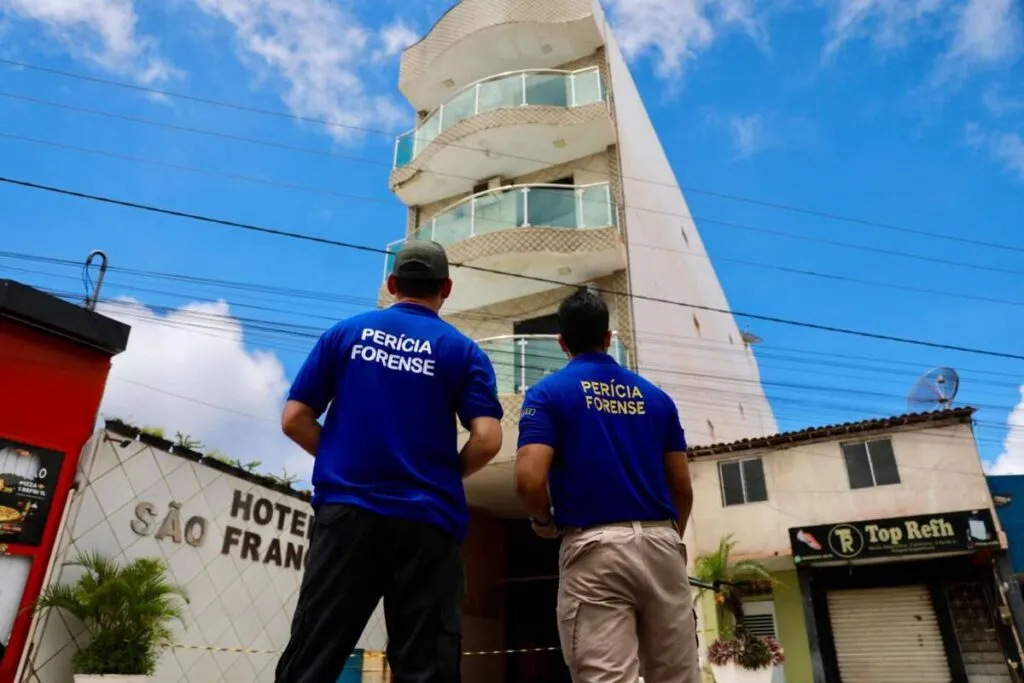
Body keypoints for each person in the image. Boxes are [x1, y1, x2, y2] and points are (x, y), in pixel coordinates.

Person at [275, 240, 504, 683]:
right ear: (446, 289)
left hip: (347, 517)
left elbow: (294, 419)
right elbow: (488, 438)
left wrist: (342, 458)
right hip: (428, 521)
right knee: (426, 667)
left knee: (312, 658)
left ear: (392, 284)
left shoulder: (345, 334)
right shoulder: (464, 352)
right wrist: (446, 475)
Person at [514, 288, 700, 683]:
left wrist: (543, 522)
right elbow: (682, 490)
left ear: (562, 342)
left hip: (595, 549)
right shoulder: (658, 399)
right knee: (677, 676)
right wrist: (666, 539)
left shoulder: (548, 394)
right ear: (608, 337)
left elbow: (528, 480)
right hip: (663, 545)